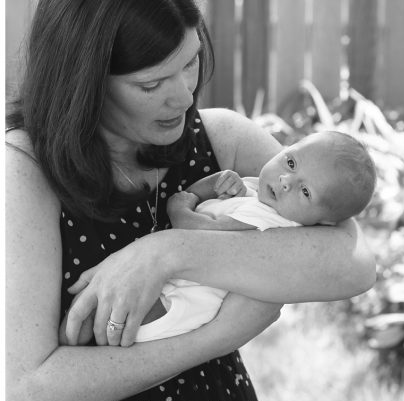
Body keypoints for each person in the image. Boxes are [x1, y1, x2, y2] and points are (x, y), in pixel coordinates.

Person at [6, 0, 376, 401]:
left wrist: (167, 251)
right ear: (84, 82)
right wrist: (213, 339)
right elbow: (21, 393)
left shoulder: (221, 139)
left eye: (190, 62)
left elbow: (355, 264)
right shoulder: (22, 172)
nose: (183, 96)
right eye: (151, 83)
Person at [92, 130, 374, 343]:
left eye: (305, 191)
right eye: (290, 162)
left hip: (177, 301)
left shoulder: (268, 221)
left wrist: (178, 206)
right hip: (172, 284)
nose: (286, 181)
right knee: (102, 304)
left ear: (324, 221)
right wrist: (218, 182)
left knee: (105, 314)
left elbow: (197, 233)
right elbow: (206, 196)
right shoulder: (260, 195)